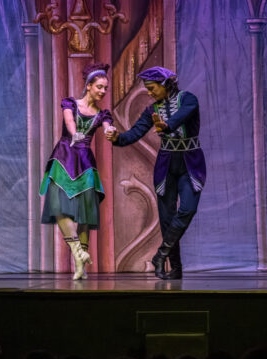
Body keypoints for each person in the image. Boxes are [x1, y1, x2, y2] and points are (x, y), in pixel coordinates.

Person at [106, 66, 205, 280]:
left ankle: (160, 255)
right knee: (167, 219)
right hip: (166, 165)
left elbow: (181, 116)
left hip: (189, 163)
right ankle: (175, 268)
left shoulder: (188, 99)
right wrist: (117, 138)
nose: (149, 93)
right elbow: (135, 133)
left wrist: (166, 125)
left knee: (187, 209)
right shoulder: (152, 110)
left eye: (152, 88)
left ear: (165, 84)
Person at [40, 63, 114, 280]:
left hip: (85, 162)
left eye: (105, 88)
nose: (103, 91)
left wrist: (110, 130)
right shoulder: (70, 103)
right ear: (89, 85)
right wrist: (74, 134)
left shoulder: (102, 114)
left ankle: (80, 266)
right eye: (99, 86)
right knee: (58, 204)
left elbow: (107, 126)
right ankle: (78, 252)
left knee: (84, 213)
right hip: (64, 157)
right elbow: (70, 120)